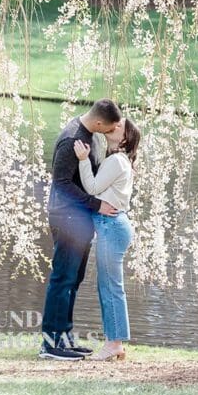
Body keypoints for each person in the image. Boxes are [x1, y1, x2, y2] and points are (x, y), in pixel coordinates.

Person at [39, 98, 122, 361]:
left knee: (74, 278)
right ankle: (50, 344)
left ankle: (64, 337)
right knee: (63, 277)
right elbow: (62, 184)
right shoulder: (71, 139)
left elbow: (91, 176)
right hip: (66, 217)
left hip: (82, 218)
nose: (109, 133)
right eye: (108, 129)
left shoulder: (92, 136)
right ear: (98, 122)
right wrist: (96, 204)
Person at [73, 115, 140, 361]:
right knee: (108, 286)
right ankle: (114, 342)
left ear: (124, 137)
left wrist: (82, 160)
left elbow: (91, 188)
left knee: (111, 287)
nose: (113, 123)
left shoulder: (116, 161)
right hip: (112, 226)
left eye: (119, 124)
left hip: (111, 226)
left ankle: (114, 344)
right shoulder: (118, 160)